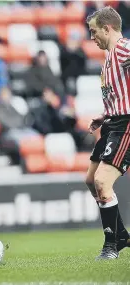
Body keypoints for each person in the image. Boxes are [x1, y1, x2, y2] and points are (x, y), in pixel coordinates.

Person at [85, 6, 130, 260]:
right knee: (91, 181)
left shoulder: (123, 48)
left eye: (94, 32)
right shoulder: (109, 58)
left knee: (103, 182)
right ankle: (122, 235)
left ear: (107, 28)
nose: (92, 38)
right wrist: (105, 115)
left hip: (127, 124)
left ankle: (111, 245)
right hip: (113, 122)